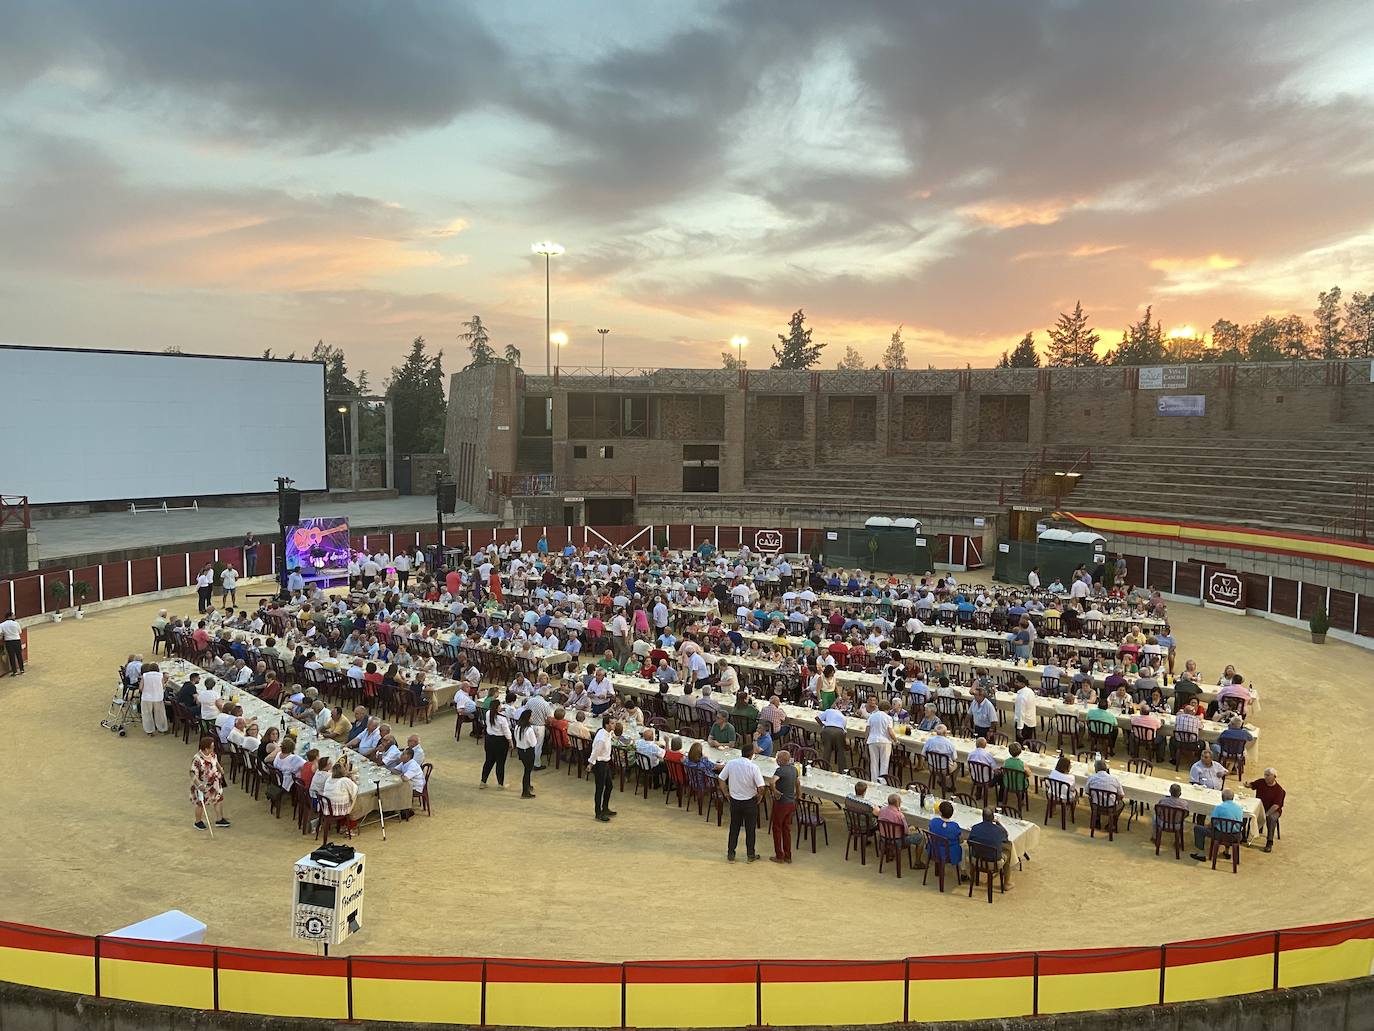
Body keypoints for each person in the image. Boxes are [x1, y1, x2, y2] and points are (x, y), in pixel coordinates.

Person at [719, 743, 766, 862]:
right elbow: (761, 787)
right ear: (751, 755)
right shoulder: (754, 767)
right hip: (749, 802)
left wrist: (726, 793)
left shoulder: (731, 763)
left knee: (734, 828)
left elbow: (721, 778)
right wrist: (760, 796)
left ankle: (731, 854)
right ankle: (750, 855)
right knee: (750, 830)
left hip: (735, 801)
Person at [1190, 788, 1245, 862]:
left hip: (1221, 835)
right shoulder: (1239, 808)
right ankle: (1226, 851)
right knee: (1229, 827)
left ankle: (1200, 853)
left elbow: (1213, 823)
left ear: (1222, 797)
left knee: (1198, 829)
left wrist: (1206, 826)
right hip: (1236, 836)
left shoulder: (1219, 807)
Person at [189, 735, 229, 830]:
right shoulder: (197, 759)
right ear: (206, 749)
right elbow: (192, 773)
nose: (214, 748)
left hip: (214, 783)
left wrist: (220, 769)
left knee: (218, 799)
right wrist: (199, 785)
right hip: (202, 785)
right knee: (200, 804)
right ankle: (197, 822)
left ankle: (219, 819)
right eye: (212, 746)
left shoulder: (212, 754)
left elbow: (216, 762)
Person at [967, 807, 1013, 886]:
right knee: (1008, 851)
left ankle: (972, 876)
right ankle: (1006, 883)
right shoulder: (999, 830)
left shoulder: (975, 828)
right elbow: (1006, 836)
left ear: (982, 817)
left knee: (970, 851)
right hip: (994, 862)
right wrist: (998, 823)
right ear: (993, 818)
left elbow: (969, 842)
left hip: (977, 859)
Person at [768, 749, 798, 864]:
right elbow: (798, 783)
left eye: (778, 758)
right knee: (787, 829)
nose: (776, 759)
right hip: (791, 803)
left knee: (777, 828)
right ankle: (788, 856)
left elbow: (771, 782)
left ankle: (779, 856)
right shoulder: (794, 769)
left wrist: (775, 791)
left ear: (782, 760)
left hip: (781, 803)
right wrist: (798, 795)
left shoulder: (780, 770)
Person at [1247, 767, 1286, 852]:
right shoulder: (1261, 782)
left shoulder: (1279, 790)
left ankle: (1269, 841)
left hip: (1273, 810)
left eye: (1268, 775)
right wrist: (1248, 784)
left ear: (1274, 776)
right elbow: (1252, 785)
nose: (1266, 777)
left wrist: (1266, 814)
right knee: (1246, 811)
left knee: (1271, 818)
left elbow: (1276, 806)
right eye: (1265, 775)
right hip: (1259, 807)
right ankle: (1244, 836)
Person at [928, 800, 965, 878]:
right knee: (964, 846)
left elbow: (930, 832)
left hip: (934, 850)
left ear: (940, 812)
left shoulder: (933, 822)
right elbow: (960, 840)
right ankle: (963, 872)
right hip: (950, 854)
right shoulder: (955, 826)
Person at [590, 715, 616, 822]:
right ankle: (598, 813)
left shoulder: (606, 732)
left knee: (609, 786)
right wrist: (590, 764)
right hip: (600, 764)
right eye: (612, 723)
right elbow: (595, 751)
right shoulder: (602, 738)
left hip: (605, 763)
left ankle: (605, 808)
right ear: (607, 725)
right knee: (599, 789)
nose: (614, 725)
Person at [481, 701, 512, 788]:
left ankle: (483, 781)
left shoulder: (488, 713)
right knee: (500, 763)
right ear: (497, 707)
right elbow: (506, 731)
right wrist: (510, 742)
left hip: (489, 740)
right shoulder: (502, 719)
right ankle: (500, 784)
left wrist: (499, 710)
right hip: (500, 741)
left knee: (488, 761)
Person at [866, 699, 897, 784]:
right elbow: (890, 732)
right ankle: (882, 781)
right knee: (884, 762)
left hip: (872, 740)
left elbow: (867, 729)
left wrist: (866, 740)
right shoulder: (888, 718)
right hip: (885, 741)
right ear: (888, 709)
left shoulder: (872, 716)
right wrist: (896, 740)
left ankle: (874, 781)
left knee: (874, 762)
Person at [139, 662, 170, 735]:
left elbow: (140, 688)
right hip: (158, 697)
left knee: (147, 714)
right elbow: (162, 686)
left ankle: (149, 731)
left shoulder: (145, 675)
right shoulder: (160, 675)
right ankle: (162, 729)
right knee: (160, 714)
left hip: (146, 697)